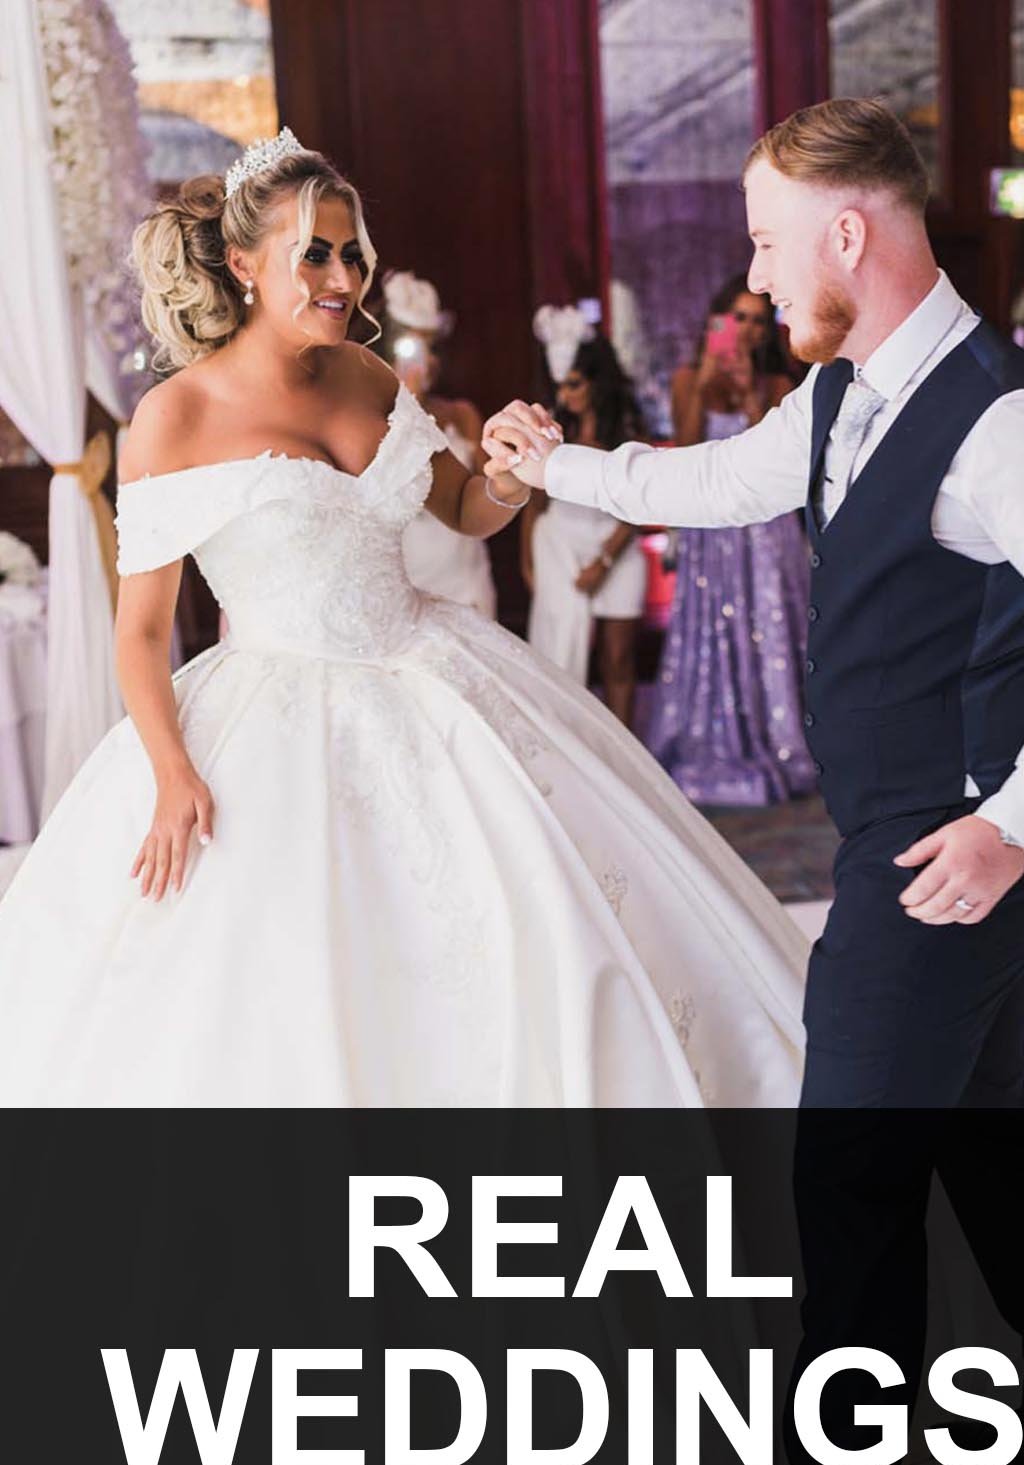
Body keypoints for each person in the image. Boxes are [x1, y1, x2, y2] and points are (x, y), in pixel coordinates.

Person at [483, 98, 1024, 1465]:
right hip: (904, 834)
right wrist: (553, 467)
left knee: (845, 1173)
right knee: (978, 1127)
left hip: (952, 850)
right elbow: (713, 484)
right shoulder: (843, 392)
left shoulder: (1018, 425)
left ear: (850, 230)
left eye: (771, 243)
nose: (758, 276)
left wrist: (1013, 824)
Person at [0, 130, 806, 1109]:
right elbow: (140, 633)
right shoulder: (175, 417)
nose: (342, 277)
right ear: (245, 263)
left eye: (350, 253)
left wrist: (512, 470)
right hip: (274, 706)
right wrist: (172, 776)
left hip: (438, 672)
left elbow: (465, 508)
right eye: (314, 254)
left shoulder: (372, 380)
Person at [650, 280, 816, 804]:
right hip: (708, 526)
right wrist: (705, 381)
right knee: (709, 626)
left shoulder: (777, 387)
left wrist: (748, 395)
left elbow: (769, 458)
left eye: (756, 322)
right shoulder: (686, 380)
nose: (745, 330)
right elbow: (686, 445)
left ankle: (781, 742)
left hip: (764, 531)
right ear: (717, 323)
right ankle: (708, 736)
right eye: (736, 318)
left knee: (771, 629)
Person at [522, 309, 647, 727]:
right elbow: (533, 500)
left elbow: (638, 502)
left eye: (574, 384)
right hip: (561, 542)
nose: (567, 394)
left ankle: (627, 757)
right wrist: (527, 561)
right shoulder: (553, 427)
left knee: (619, 658)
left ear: (597, 380)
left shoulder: (626, 428)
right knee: (563, 655)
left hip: (617, 546)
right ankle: (578, 748)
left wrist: (606, 559)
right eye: (561, 385)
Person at [380, 269, 497, 618]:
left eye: (427, 348)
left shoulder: (461, 415)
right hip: (408, 571)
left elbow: (482, 486)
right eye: (413, 348)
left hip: (463, 569)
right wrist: (406, 407)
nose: (423, 359)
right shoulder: (370, 420)